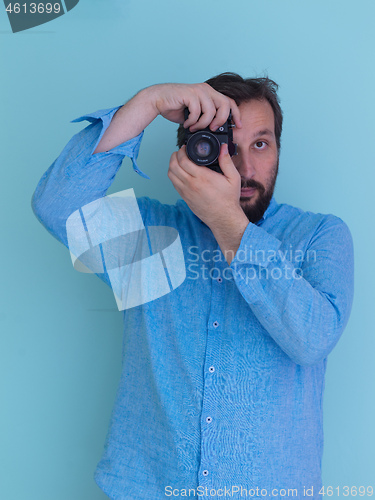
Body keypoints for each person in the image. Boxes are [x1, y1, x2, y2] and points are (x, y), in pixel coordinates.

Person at [31, 72, 354, 500]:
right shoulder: (154, 234)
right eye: (223, 146)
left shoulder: (319, 236)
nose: (243, 169)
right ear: (191, 154)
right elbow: (56, 207)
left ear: (278, 149)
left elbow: (312, 340)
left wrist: (230, 226)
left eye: (261, 143)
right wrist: (146, 103)